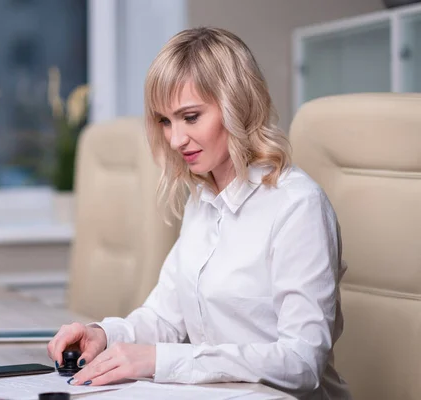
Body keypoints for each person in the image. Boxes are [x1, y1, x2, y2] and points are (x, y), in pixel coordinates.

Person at [47, 27, 351, 400]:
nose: (175, 140)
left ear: (236, 104)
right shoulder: (202, 199)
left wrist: (161, 361)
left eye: (190, 117)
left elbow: (302, 361)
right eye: (165, 121)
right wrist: (104, 334)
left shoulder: (296, 205)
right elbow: (164, 317)